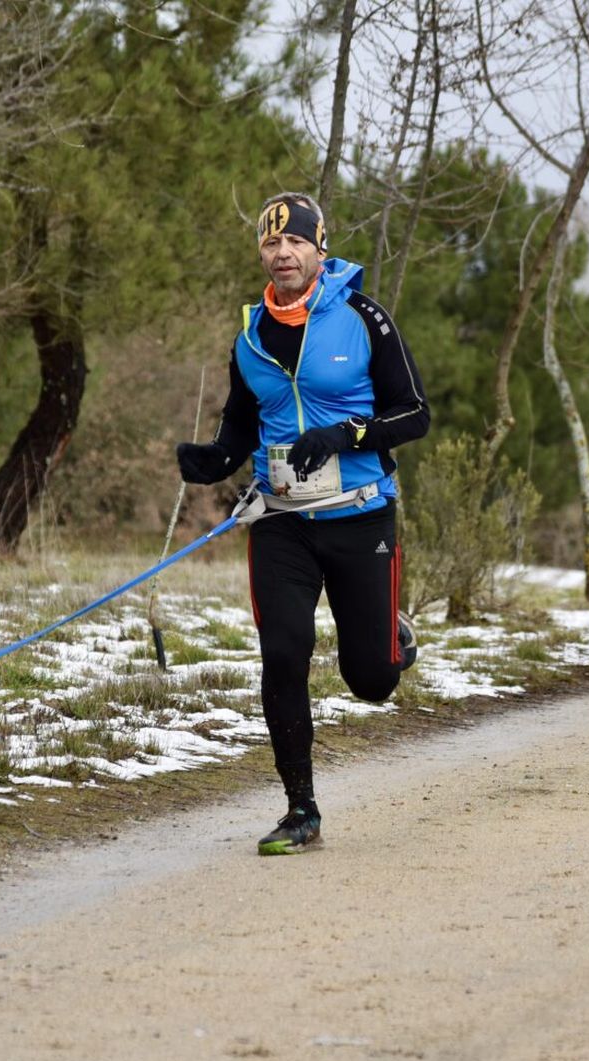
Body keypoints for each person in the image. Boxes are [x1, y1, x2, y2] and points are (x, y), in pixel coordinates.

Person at [176, 192, 430, 854]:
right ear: (261, 253)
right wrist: (215, 459)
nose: (283, 253)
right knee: (283, 656)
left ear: (321, 248)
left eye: (296, 243)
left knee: (370, 681)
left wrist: (345, 434)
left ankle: (391, 633)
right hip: (281, 522)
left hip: (359, 515)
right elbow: (241, 421)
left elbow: (414, 414)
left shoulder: (363, 318)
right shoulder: (250, 334)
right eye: (271, 243)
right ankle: (301, 809)